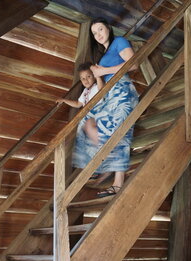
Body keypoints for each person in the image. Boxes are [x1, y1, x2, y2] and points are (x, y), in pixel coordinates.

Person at [80, 17, 139, 197]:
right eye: (94, 33)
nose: (98, 34)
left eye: (100, 29)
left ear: (108, 29)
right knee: (88, 124)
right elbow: (104, 86)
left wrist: (103, 71)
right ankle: (105, 163)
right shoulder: (103, 56)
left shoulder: (119, 41)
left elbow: (133, 64)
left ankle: (117, 183)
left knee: (119, 133)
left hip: (123, 90)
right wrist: (97, 74)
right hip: (110, 95)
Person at [57, 62, 103, 145]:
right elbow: (78, 104)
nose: (86, 80)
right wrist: (64, 100)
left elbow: (101, 89)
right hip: (88, 117)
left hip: (98, 114)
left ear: (94, 76)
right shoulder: (85, 91)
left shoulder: (96, 87)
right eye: (83, 78)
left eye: (88, 76)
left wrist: (98, 75)